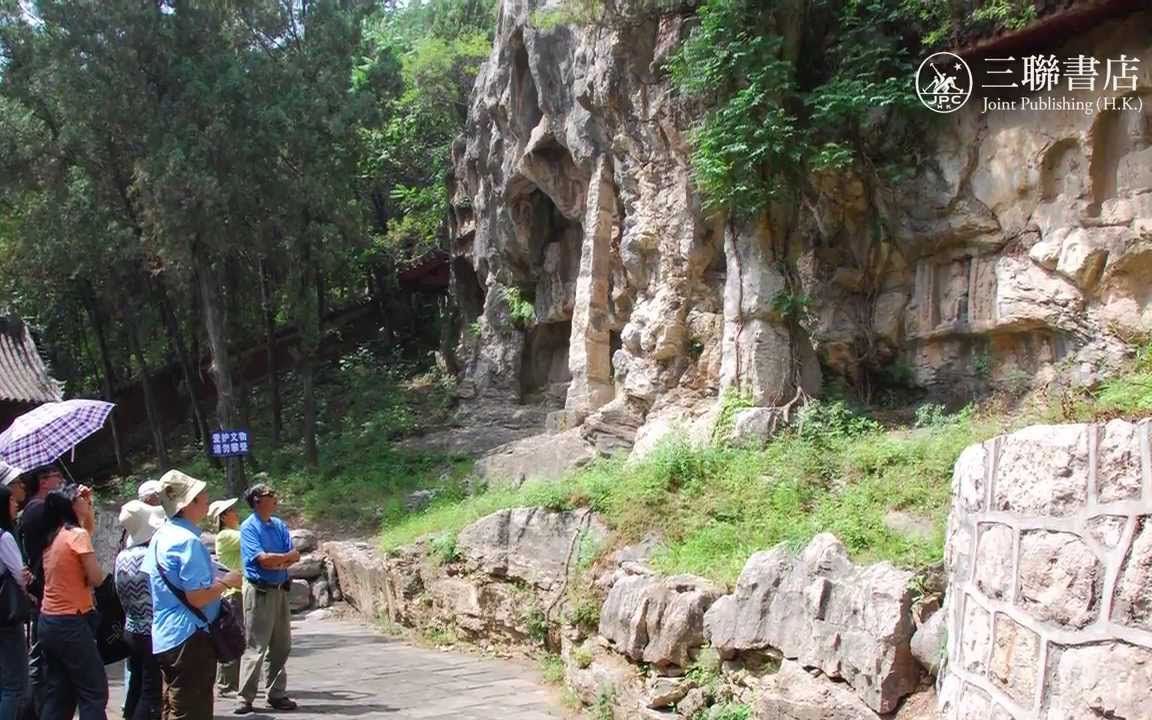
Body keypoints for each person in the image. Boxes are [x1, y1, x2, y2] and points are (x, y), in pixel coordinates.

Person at [144, 471, 241, 720]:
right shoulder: (188, 542)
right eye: (201, 497)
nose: (207, 501)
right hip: (191, 637)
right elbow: (197, 597)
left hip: (167, 634)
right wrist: (225, 583)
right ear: (187, 504)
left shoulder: (160, 537)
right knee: (192, 709)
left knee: (173, 704)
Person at [36, 484, 108, 720]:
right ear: (71, 505)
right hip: (72, 622)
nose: (86, 501)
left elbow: (85, 532)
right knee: (93, 691)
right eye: (81, 498)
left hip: (49, 621)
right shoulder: (76, 536)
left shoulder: (54, 535)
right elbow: (96, 579)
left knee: (60, 693)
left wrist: (89, 510)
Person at [236, 484, 298, 715]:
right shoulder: (249, 527)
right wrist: (283, 560)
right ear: (256, 500)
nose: (274, 498)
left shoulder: (279, 525)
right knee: (256, 646)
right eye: (269, 495)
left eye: (274, 494)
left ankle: (276, 694)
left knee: (282, 645)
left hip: (280, 589)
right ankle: (245, 697)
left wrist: (279, 560)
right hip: (260, 591)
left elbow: (295, 555)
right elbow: (263, 560)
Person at [115, 501, 165, 720]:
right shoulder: (150, 556)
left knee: (136, 684)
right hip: (151, 631)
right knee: (151, 691)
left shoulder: (122, 556)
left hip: (131, 628)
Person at [0, 484, 31, 720]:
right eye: (11, 500)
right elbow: (21, 576)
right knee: (14, 684)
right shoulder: (4, 537)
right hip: (6, 618)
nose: (16, 504)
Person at [209, 499, 243, 697]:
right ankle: (226, 684)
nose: (235, 512)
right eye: (231, 510)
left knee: (236, 636)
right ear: (223, 516)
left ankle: (230, 683)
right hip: (232, 593)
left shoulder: (231, 533)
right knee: (232, 636)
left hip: (237, 591)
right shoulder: (226, 535)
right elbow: (251, 537)